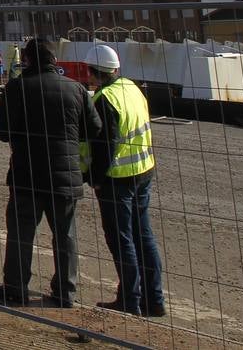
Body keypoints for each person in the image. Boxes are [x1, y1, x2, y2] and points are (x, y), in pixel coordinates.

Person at [0, 38, 102, 307]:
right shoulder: (75, 89)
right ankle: (66, 292)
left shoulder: (18, 88)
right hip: (65, 176)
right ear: (55, 60)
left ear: (27, 59)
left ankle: (16, 288)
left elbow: (2, 130)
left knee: (21, 233)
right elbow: (94, 129)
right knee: (66, 236)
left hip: (27, 174)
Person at [83, 43, 165, 317]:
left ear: (94, 72)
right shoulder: (132, 88)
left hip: (117, 178)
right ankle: (154, 299)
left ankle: (130, 299)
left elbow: (106, 144)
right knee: (144, 235)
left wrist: (95, 178)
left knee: (122, 239)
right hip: (144, 170)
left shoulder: (104, 99)